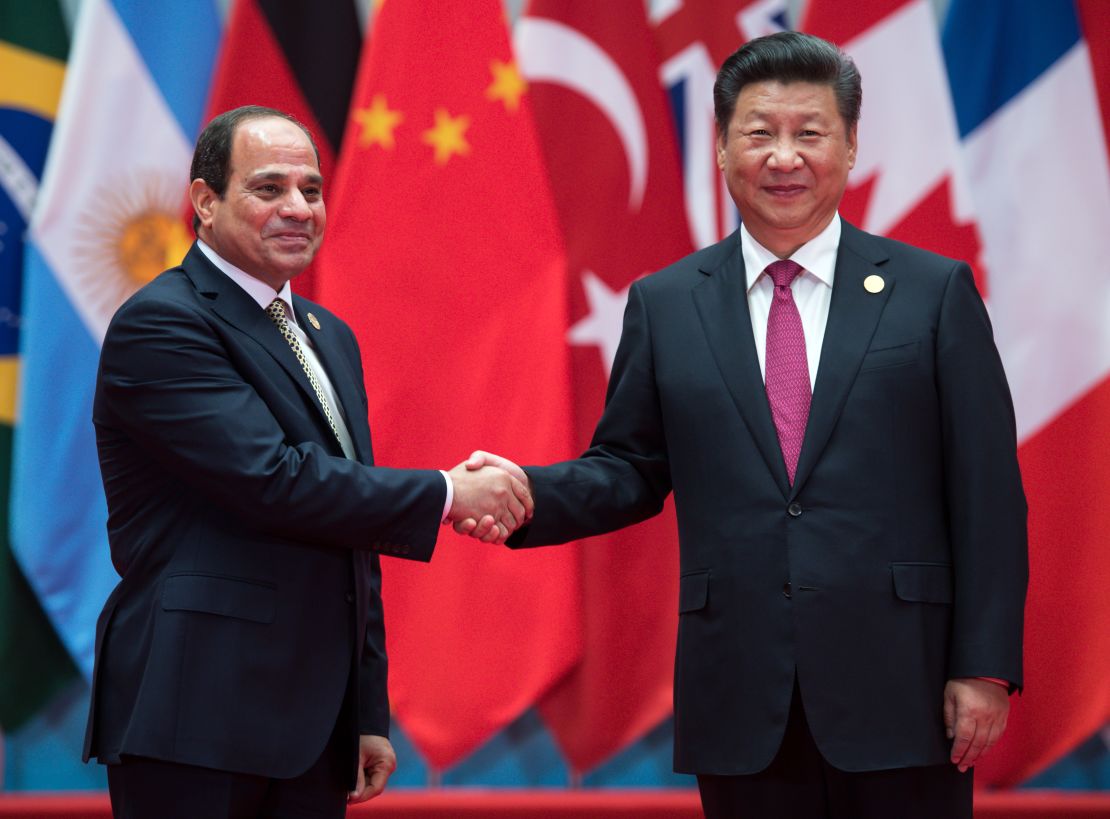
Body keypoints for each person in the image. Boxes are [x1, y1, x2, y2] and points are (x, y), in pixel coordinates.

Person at [461, 32, 1028, 819]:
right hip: (742, 693)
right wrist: (523, 492)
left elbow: (988, 495)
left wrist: (986, 666)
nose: (784, 157)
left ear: (851, 145)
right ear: (723, 150)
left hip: (906, 687)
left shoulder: (932, 294)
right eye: (759, 133)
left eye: (810, 132)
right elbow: (628, 467)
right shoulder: (666, 303)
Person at [82, 105, 531, 819]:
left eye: (312, 190)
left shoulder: (326, 334)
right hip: (197, 715)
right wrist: (448, 492)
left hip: (311, 727)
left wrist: (366, 705)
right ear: (205, 201)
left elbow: (349, 527)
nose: (298, 208)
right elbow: (276, 480)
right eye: (268, 188)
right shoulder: (163, 321)